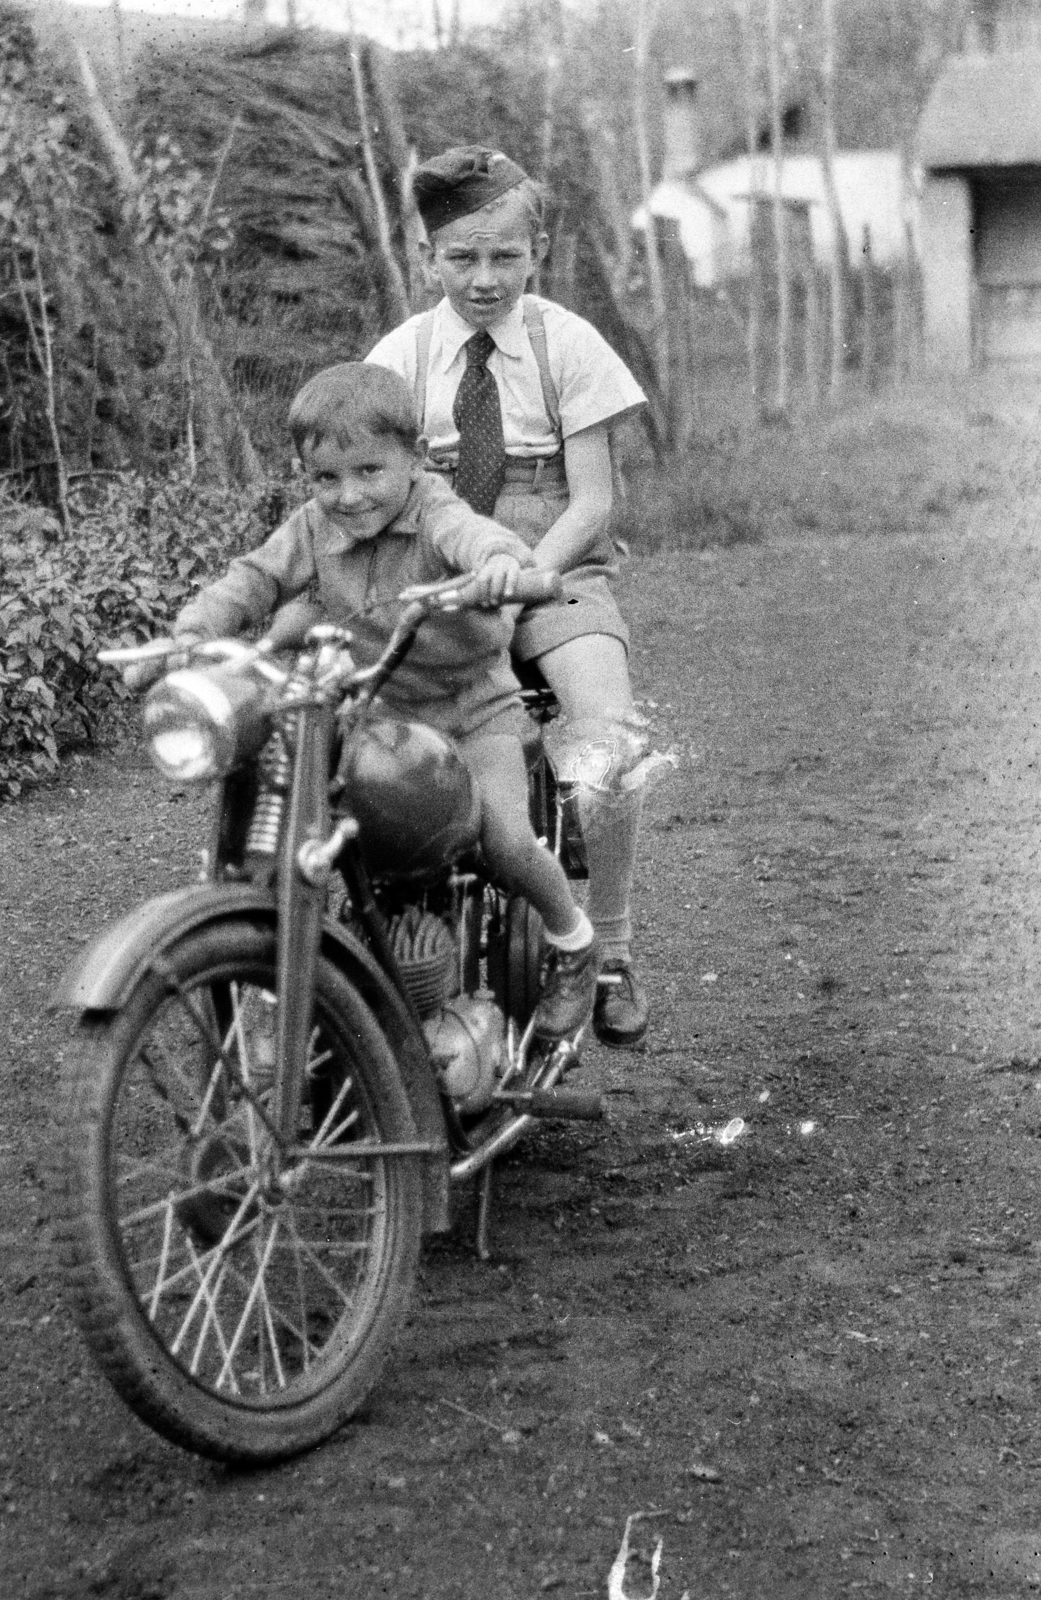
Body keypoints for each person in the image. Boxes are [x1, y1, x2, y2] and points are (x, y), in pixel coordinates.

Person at [167, 361, 599, 1041]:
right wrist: (195, 630)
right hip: (378, 719)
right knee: (309, 838)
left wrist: (497, 567)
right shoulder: (311, 528)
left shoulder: (435, 512)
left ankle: (575, 943)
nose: (348, 495)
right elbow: (254, 577)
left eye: (369, 471)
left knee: (506, 840)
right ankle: (314, 987)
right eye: (326, 478)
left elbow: (477, 537)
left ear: (415, 459)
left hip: (472, 712)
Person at [366, 144, 652, 1048]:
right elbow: (376, 492)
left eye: (504, 257)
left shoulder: (567, 344)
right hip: (440, 569)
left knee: (606, 736)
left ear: (536, 255)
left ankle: (606, 949)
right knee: (354, 725)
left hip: (558, 565)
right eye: (461, 258)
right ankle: (382, 942)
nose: (483, 279)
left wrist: (530, 578)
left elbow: (596, 499)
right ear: (427, 260)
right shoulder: (402, 357)